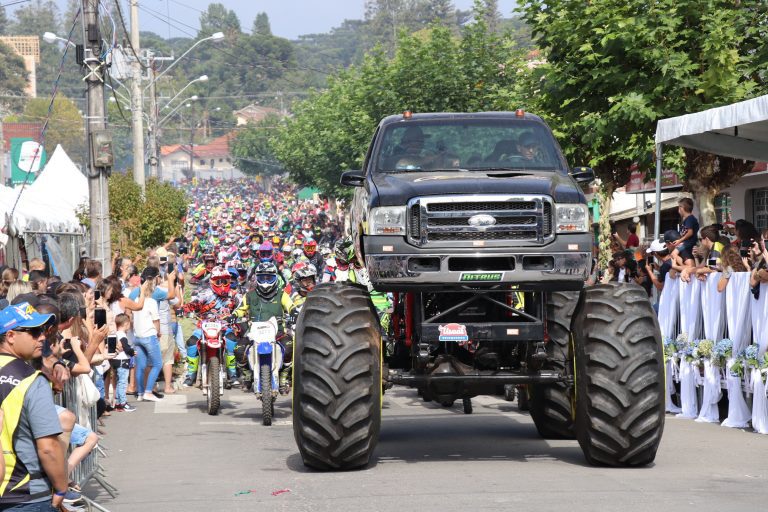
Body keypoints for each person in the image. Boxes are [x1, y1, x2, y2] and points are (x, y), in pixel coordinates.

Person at [0, 302, 70, 510]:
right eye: (33, 332)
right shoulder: (31, 380)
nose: (42, 337)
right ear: (10, 336)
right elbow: (48, 447)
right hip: (24, 493)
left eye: (42, 331)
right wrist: (61, 486)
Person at [182, 266, 241, 387]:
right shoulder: (205, 294)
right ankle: (191, 374)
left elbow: (243, 305)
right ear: (212, 281)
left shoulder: (233, 295)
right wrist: (184, 309)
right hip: (204, 326)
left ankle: (233, 373)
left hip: (224, 326)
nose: (222, 285)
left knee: (232, 341)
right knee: (191, 343)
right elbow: (194, 304)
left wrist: (241, 315)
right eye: (218, 281)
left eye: (225, 281)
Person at [234, 262, 286, 390]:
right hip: (254, 332)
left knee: (290, 348)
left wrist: (295, 313)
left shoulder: (281, 294)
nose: (266, 281)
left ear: (275, 278)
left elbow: (291, 306)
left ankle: (284, 377)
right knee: (239, 350)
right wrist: (233, 315)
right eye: (263, 277)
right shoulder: (250, 295)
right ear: (257, 278)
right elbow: (240, 309)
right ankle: (247, 375)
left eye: (269, 277)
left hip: (277, 331)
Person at [132, 267, 163, 402]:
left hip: (137, 336)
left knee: (141, 365)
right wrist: (158, 332)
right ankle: (148, 391)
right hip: (149, 336)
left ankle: (140, 392)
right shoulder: (151, 302)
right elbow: (156, 321)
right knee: (157, 364)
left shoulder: (136, 301)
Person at [111, 314, 136, 412]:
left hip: (116, 361)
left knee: (118, 382)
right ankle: (123, 403)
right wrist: (132, 352)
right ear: (126, 324)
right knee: (123, 382)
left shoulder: (116, 333)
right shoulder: (123, 335)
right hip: (122, 361)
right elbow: (126, 347)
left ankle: (117, 402)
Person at [670, 198, 699, 263]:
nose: (678, 210)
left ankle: (683, 267)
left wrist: (679, 241)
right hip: (686, 243)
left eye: (679, 207)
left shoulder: (690, 219)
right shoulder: (688, 219)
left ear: (682, 208)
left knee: (673, 254)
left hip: (688, 243)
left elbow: (690, 232)